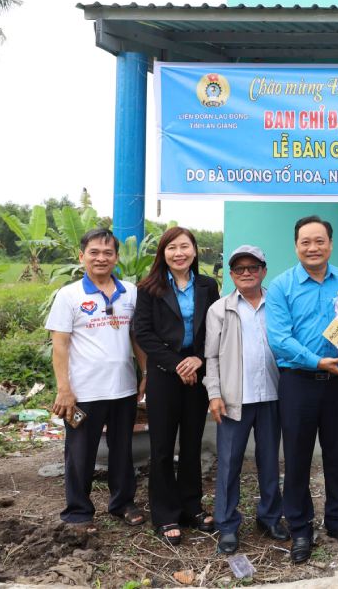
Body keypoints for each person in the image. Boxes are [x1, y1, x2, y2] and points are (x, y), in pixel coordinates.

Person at [266, 215, 338, 563]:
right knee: (297, 458)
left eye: (319, 241)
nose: (313, 247)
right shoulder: (281, 286)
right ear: (296, 246)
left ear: (331, 245)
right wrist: (317, 362)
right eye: (305, 241)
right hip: (297, 384)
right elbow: (279, 339)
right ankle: (301, 528)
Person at [46, 228, 147, 534]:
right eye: (94, 252)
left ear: (116, 257)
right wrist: (64, 389)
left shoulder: (131, 292)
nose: (101, 258)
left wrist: (147, 373)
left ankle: (122, 504)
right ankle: (78, 511)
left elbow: (136, 336)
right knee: (80, 453)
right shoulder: (69, 295)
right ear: (82, 257)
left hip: (123, 388)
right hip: (83, 392)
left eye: (108, 253)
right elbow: (60, 344)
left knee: (122, 450)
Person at [133, 227, 220, 545]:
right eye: (172, 248)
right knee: (162, 447)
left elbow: (214, 328)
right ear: (163, 253)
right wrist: (175, 364)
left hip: (197, 374)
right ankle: (165, 513)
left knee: (193, 444)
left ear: (195, 251)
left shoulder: (208, 286)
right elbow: (143, 333)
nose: (179, 253)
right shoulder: (149, 288)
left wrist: (197, 359)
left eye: (185, 246)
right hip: (163, 374)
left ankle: (191, 507)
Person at [203, 245, 288, 555]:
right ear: (232, 274)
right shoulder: (220, 309)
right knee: (229, 464)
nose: (247, 273)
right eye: (240, 269)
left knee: (269, 461)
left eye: (253, 267)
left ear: (264, 271)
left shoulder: (276, 305)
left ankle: (269, 517)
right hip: (233, 399)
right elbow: (210, 356)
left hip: (272, 396)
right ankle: (226, 525)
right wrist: (214, 393)